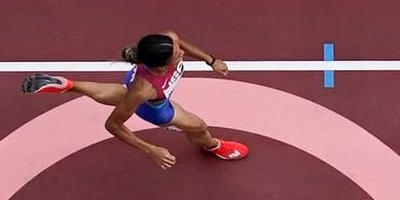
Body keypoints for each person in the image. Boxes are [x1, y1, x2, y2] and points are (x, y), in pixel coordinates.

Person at [21, 31, 249, 170]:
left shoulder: (166, 43)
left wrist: (211, 60)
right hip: (156, 108)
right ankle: (213, 146)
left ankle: (70, 85)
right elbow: (113, 125)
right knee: (197, 125)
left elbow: (178, 40)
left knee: (123, 93)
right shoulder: (144, 90)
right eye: (176, 55)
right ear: (161, 66)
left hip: (133, 84)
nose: (181, 53)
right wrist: (150, 149)